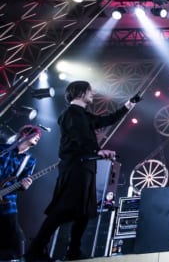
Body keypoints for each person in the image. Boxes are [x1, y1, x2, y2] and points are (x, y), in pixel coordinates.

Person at [26, 81, 141, 262]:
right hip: (75, 166)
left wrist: (129, 104)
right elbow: (78, 136)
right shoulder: (70, 114)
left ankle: (73, 251)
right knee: (62, 209)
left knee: (84, 212)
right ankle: (35, 250)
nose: (92, 94)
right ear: (80, 93)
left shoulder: (84, 115)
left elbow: (107, 120)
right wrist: (97, 151)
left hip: (86, 167)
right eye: (89, 91)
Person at [0, 125, 41, 261]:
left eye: (39, 136)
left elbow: (23, 181)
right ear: (24, 134)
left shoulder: (30, 160)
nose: (38, 137)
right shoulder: (2, 149)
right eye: (35, 134)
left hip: (7, 199)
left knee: (16, 237)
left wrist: (25, 185)